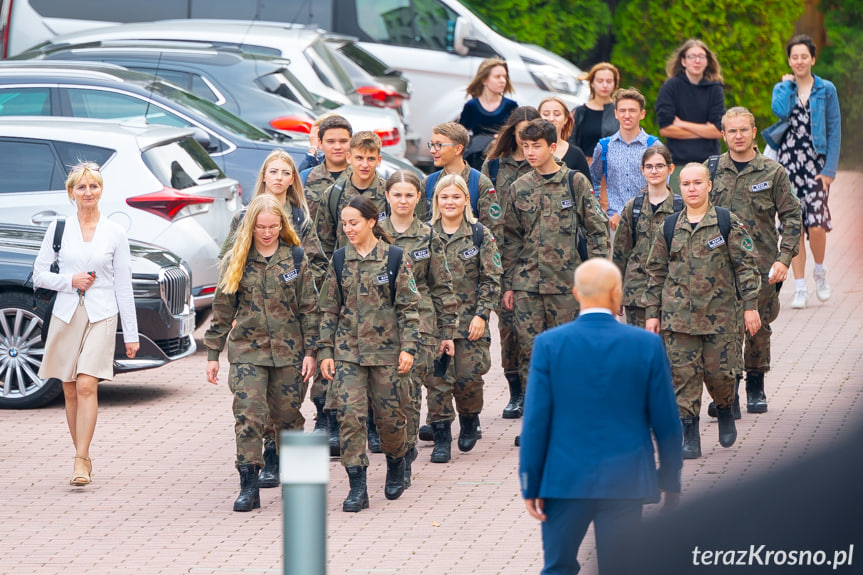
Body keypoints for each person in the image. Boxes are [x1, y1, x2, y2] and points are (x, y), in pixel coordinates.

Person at [520, 258, 683, 575]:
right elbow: (666, 420)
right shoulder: (646, 345)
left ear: (576, 293)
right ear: (616, 294)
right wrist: (670, 476)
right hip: (626, 479)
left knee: (558, 567)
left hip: (563, 480)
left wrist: (531, 482)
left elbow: (535, 422)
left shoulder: (549, 345)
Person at [219, 149, 329, 485]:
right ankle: (261, 464)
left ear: (293, 179)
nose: (279, 178)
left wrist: (301, 294)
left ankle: (290, 468)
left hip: (289, 330)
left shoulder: (301, 219)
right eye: (273, 172)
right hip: (253, 333)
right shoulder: (243, 218)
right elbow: (227, 261)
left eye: (286, 173)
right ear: (264, 177)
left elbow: (317, 265)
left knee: (286, 409)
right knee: (252, 409)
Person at [205, 195, 319, 512]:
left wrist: (312, 351)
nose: (266, 233)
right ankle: (249, 486)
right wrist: (213, 353)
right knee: (248, 417)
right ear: (250, 227)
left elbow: (311, 309)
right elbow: (222, 311)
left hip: (289, 353)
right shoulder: (235, 260)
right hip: (247, 353)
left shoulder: (296, 259)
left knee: (288, 418)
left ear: (282, 226)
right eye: (260, 227)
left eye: (273, 226)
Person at [502, 119, 609, 445]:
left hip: (567, 285)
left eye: (537, 146)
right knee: (531, 356)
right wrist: (508, 283)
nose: (530, 152)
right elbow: (509, 238)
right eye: (526, 146)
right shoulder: (519, 187)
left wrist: (597, 278)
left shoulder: (574, 182)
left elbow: (597, 230)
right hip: (527, 287)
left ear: (552, 146)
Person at [644, 163, 762, 460]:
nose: (692, 189)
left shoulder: (726, 222)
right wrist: (652, 313)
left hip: (720, 318)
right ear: (679, 188)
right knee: (683, 378)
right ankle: (690, 434)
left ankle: (724, 409)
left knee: (721, 375)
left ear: (709, 185)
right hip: (678, 320)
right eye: (686, 184)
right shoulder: (669, 226)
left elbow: (746, 267)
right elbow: (655, 272)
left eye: (698, 183)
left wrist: (750, 307)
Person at [34, 162, 139, 487]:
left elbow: (123, 284)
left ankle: (80, 460)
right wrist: (70, 280)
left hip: (102, 314)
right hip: (66, 314)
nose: (88, 192)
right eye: (82, 187)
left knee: (85, 384)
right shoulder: (59, 229)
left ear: (101, 190)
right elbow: (39, 274)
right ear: (72, 192)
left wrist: (131, 334)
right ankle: (83, 453)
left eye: (93, 186)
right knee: (68, 389)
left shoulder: (115, 232)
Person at [318, 195, 420, 512]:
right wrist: (325, 351)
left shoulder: (394, 258)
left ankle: (397, 460)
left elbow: (408, 308)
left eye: (354, 222)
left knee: (390, 421)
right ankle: (357, 486)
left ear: (372, 222)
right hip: (348, 353)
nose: (348, 228)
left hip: (388, 354)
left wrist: (409, 348)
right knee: (350, 417)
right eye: (345, 223)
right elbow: (328, 311)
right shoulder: (339, 260)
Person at [708, 107, 802, 418]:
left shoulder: (773, 172)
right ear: (723, 135)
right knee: (724, 329)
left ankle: (756, 385)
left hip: (761, 265)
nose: (737, 136)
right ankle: (729, 390)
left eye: (743, 130)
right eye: (731, 131)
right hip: (719, 266)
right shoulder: (711, 170)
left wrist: (784, 258)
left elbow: (792, 217)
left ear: (753, 132)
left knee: (757, 327)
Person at [381, 170, 458, 483]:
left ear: (419, 199)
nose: (402, 200)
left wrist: (447, 332)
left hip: (419, 325)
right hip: (380, 325)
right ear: (387, 196)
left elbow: (441, 285)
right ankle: (396, 446)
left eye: (409, 195)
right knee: (385, 397)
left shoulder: (428, 236)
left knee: (409, 393)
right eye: (397, 194)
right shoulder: (374, 232)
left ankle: (405, 453)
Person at [425, 174, 502, 463]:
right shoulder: (425, 234)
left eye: (456, 196)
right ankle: (442, 436)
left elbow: (491, 279)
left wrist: (482, 314)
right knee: (437, 381)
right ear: (436, 201)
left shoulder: (480, 234)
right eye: (444, 197)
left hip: (470, 321)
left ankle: (470, 419)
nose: (450, 202)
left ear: (466, 200)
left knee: (468, 380)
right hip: (434, 324)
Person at [764, 34, 841, 310]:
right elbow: (778, 111)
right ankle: (799, 287)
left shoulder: (826, 89)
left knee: (817, 224)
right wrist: (786, 86)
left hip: (816, 166)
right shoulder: (782, 88)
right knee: (791, 226)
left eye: (804, 56)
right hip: (787, 165)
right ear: (789, 60)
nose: (799, 61)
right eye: (794, 57)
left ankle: (819, 270)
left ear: (813, 59)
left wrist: (830, 169)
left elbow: (834, 130)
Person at [481, 105, 540, 419]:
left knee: (535, 331)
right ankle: (515, 392)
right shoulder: (494, 167)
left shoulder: (543, 163)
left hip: (539, 258)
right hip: (502, 257)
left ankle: (536, 394)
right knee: (508, 329)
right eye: (522, 132)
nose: (527, 139)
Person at [612, 144, 677, 328]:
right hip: (636, 294)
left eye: (659, 166)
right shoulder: (633, 207)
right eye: (649, 166)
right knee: (637, 352)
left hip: (671, 295)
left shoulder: (680, 208)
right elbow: (620, 253)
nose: (654, 171)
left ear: (670, 169)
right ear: (642, 170)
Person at [655, 39, 725, 191]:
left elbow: (718, 131)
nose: (697, 60)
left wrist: (682, 124)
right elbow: (666, 129)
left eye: (701, 56)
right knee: (679, 211)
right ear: (683, 61)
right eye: (692, 56)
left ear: (707, 61)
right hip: (679, 164)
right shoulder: (671, 87)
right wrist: (705, 130)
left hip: (709, 164)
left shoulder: (715, 88)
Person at [590, 88, 660, 236]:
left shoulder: (654, 146)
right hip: (614, 224)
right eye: (622, 111)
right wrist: (598, 211)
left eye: (632, 111)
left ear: (642, 114)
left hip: (647, 222)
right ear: (616, 114)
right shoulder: (604, 146)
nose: (627, 115)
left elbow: (659, 186)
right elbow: (593, 180)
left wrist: (624, 212)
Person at [421, 122, 502, 240]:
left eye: (439, 145)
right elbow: (420, 228)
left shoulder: (480, 183)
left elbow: (493, 232)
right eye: (431, 145)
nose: (433, 150)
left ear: (458, 149)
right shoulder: (428, 183)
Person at [457, 58, 518, 169]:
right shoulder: (471, 106)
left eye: (505, 77)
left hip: (503, 157)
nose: (503, 80)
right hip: (476, 158)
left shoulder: (511, 106)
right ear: (484, 80)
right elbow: (461, 135)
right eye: (497, 77)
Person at [302, 114, 352, 223]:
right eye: (331, 141)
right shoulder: (306, 177)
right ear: (320, 143)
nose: (337, 147)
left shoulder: (362, 175)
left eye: (343, 141)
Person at [569, 62, 620, 160]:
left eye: (609, 81)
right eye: (600, 81)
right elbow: (570, 142)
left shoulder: (621, 112)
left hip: (613, 168)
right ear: (592, 83)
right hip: (583, 168)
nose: (605, 85)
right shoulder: (579, 112)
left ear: (614, 84)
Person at [538, 96, 590, 179]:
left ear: (565, 119)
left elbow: (587, 189)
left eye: (557, 114)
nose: (551, 119)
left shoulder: (576, 154)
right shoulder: (529, 152)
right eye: (546, 114)